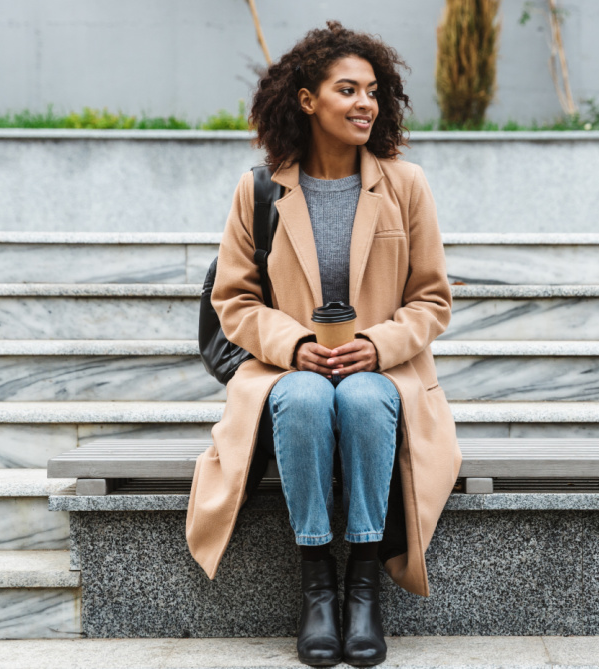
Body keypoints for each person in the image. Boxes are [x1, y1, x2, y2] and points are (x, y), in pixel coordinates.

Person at [185, 20, 462, 667]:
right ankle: (317, 588)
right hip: (289, 369)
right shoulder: (260, 190)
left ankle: (362, 587)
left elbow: (432, 299)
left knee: (364, 399)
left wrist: (377, 342)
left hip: (385, 371)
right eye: (347, 89)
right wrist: (295, 343)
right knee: (305, 398)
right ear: (307, 99)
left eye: (372, 91)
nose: (365, 103)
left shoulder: (406, 185)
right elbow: (234, 300)